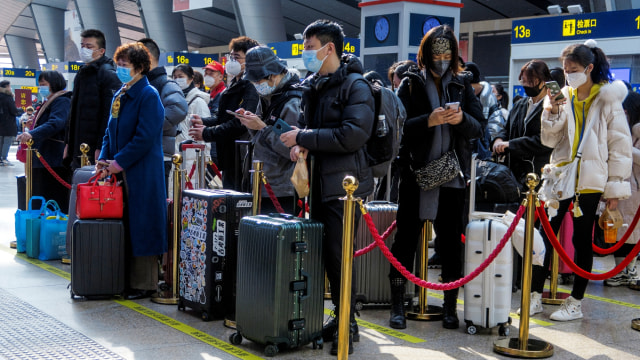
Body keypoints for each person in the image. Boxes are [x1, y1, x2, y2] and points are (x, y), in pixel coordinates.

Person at [280, 19, 374, 355]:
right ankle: (340, 316)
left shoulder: (355, 86)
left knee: (338, 256)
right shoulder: (314, 84)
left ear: (328, 47)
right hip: (319, 183)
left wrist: (303, 137)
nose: (305, 53)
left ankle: (347, 322)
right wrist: (300, 144)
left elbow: (352, 135)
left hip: (345, 187)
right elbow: (309, 127)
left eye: (308, 46)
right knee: (326, 256)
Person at [386, 25, 484, 331]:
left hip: (452, 178)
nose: (441, 59)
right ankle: (398, 305)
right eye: (436, 54)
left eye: (446, 53)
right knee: (404, 242)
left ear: (454, 54)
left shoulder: (462, 84)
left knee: (451, 245)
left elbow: (479, 127)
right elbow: (398, 128)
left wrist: (461, 118)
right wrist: (428, 120)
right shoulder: (411, 83)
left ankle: (451, 307)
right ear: (425, 55)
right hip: (416, 175)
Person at [530, 39, 632, 321]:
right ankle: (534, 295)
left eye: (573, 69)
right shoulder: (562, 94)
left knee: (581, 239)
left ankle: (575, 302)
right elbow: (549, 139)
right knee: (544, 236)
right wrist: (551, 111)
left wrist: (614, 188)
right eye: (565, 69)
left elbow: (620, 147)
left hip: (590, 180)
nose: (568, 74)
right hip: (560, 176)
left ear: (589, 68)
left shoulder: (608, 99)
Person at [96, 42, 167, 300]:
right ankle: (124, 279)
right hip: (119, 169)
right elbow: (109, 132)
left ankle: (145, 283)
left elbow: (144, 138)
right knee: (124, 223)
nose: (121, 69)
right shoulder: (120, 94)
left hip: (142, 172)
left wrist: (118, 162)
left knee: (143, 224)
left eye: (125, 65)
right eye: (119, 64)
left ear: (139, 67)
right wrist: (105, 158)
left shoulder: (149, 96)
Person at [234, 46, 301, 214]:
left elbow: (291, 150)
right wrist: (251, 124)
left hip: (281, 187)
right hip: (261, 182)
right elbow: (260, 135)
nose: (257, 86)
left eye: (258, 81)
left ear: (272, 75)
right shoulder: (268, 96)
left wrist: (262, 128)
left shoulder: (292, 101)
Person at [189, 36, 260, 190]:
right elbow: (224, 117)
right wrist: (204, 122)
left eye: (237, 57)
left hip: (242, 156)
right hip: (229, 154)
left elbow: (240, 122)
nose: (231, 61)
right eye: (231, 56)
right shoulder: (235, 83)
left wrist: (207, 133)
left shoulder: (251, 85)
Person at [492, 60, 553, 191]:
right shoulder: (520, 105)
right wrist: (498, 139)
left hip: (539, 172)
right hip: (514, 174)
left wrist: (511, 144)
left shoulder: (551, 108)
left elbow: (545, 140)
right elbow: (506, 128)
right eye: (523, 81)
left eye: (531, 82)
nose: (526, 85)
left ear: (543, 81)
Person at [65, 29, 122, 169]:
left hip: (94, 148)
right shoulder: (82, 73)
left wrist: (100, 148)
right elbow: (74, 113)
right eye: (82, 46)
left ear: (101, 50)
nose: (84, 49)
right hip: (78, 146)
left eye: (89, 47)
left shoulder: (108, 74)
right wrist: (68, 143)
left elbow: (109, 115)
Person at [138, 38, 188, 194]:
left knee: (156, 206)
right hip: (141, 153)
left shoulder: (165, 83)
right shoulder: (142, 83)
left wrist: (147, 127)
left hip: (159, 155)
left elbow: (178, 109)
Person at [16, 71, 71, 211]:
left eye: (44, 85)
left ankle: (53, 229)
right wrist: (33, 125)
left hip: (52, 159)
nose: (42, 88)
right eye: (40, 85)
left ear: (54, 84)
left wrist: (32, 133)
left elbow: (56, 123)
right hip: (44, 158)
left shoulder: (61, 100)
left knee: (52, 197)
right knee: (43, 195)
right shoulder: (51, 101)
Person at [604, 90, 640, 287]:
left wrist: (626, 146)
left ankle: (628, 270)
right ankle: (622, 270)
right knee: (618, 230)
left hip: (634, 189)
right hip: (622, 187)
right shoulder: (623, 130)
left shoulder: (635, 132)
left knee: (631, 233)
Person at [464, 62, 504, 160]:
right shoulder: (463, 94)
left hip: (483, 151)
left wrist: (487, 145)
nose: (469, 90)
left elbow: (496, 124)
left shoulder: (490, 98)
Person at [203, 60, 225, 165]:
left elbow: (216, 117)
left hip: (216, 144)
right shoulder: (208, 93)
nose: (207, 76)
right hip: (209, 141)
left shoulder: (222, 94)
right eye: (206, 73)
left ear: (220, 77)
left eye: (211, 74)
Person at [0, 80, 17, 166]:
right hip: (8, 123)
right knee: (7, 141)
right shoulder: (8, 97)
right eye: (10, 86)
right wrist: (19, 111)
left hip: (1, 123)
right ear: (6, 87)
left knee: (1, 141)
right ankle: (4, 158)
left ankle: (0, 159)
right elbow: (13, 110)